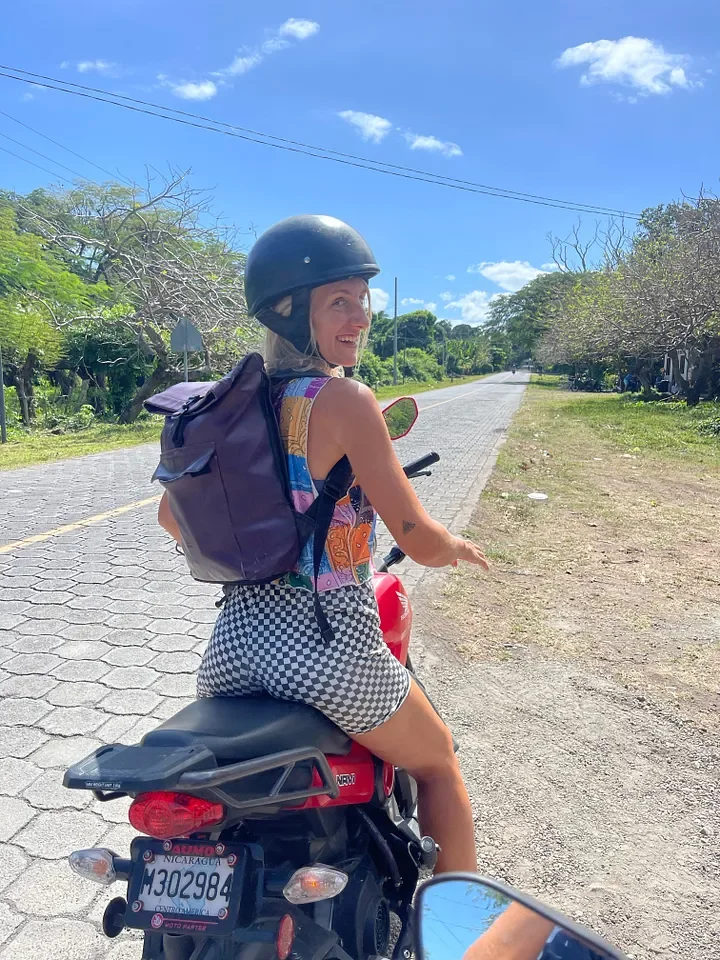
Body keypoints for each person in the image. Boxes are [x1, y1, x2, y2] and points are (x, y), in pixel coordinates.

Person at [158, 215, 489, 874]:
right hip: (328, 648)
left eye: (363, 300)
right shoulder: (344, 400)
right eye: (339, 301)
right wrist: (455, 547)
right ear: (287, 310)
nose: (360, 317)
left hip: (231, 650)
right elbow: (417, 539)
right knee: (438, 761)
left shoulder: (228, 405)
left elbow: (173, 517)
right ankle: (461, 916)